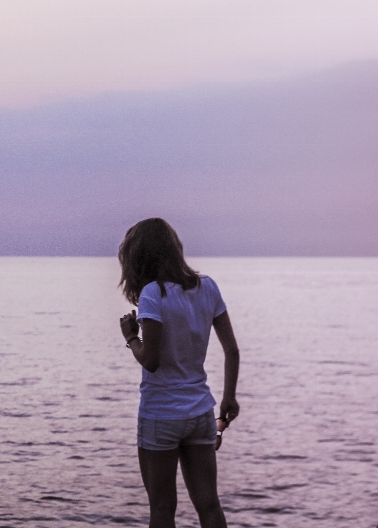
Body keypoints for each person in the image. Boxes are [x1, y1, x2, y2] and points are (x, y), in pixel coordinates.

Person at [118, 218, 240, 528]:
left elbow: (151, 360)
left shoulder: (152, 294)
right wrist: (229, 397)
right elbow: (232, 350)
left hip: (160, 415)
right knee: (209, 505)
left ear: (139, 257)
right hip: (200, 411)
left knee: (162, 508)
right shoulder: (207, 286)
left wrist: (131, 337)